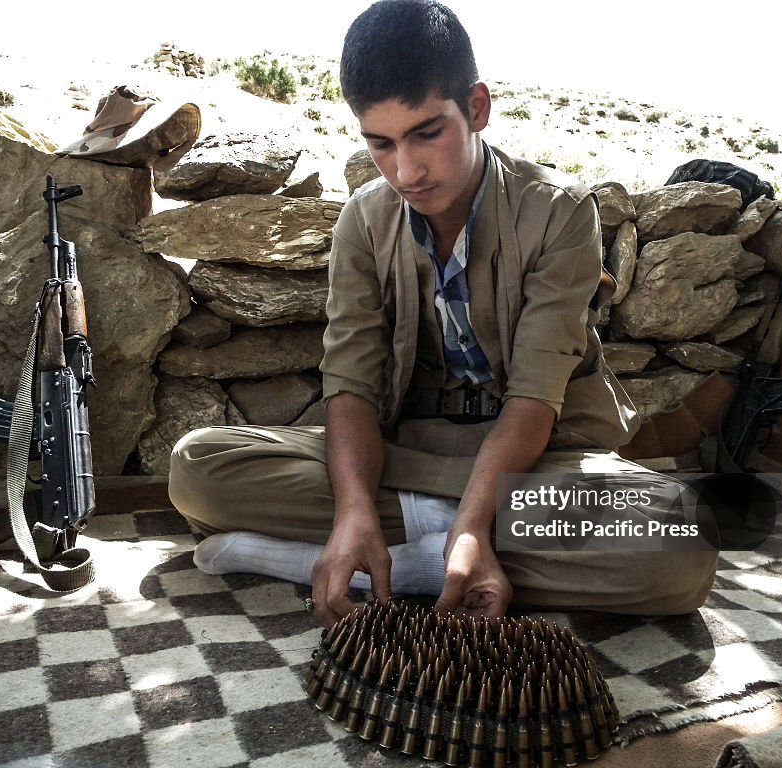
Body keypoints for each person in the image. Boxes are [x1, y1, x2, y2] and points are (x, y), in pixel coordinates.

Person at [168, 0, 718, 628]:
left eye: (427, 132)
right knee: (198, 469)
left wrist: (474, 524)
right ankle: (398, 544)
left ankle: (408, 561)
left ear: (476, 108)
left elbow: (535, 399)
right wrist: (352, 510)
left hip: (533, 457)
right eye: (381, 143)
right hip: (405, 451)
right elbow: (349, 384)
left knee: (679, 544)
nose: (406, 170)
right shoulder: (365, 220)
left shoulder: (560, 212)